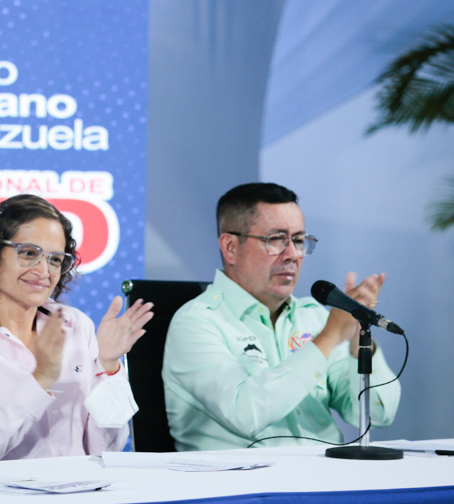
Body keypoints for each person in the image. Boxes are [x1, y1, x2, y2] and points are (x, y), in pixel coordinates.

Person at [162, 182, 401, 451]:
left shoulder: (312, 318)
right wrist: (329, 337)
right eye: (275, 240)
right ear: (230, 247)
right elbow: (246, 414)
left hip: (326, 481)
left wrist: (360, 340)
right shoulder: (197, 323)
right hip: (243, 487)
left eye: (299, 241)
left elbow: (378, 415)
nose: (293, 255)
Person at [0, 194, 154, 460]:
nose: (44, 271)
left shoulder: (78, 326)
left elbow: (106, 452)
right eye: (29, 253)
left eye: (55, 259)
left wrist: (109, 368)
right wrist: (39, 381)